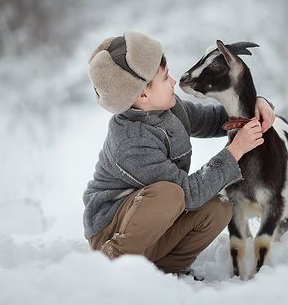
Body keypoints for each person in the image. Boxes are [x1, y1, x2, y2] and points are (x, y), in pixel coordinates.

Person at [82, 31, 275, 277]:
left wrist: (255, 104)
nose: (173, 81)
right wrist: (236, 150)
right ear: (142, 95)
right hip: (112, 230)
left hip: (155, 222)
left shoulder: (168, 108)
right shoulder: (131, 142)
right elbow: (188, 194)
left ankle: (164, 269)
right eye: (165, 78)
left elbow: (214, 120)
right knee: (169, 193)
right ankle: (114, 267)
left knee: (220, 207)